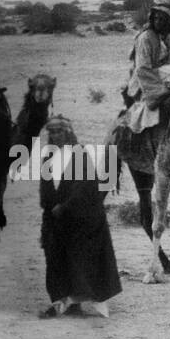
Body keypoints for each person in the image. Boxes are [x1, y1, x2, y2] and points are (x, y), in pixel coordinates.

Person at [37, 115, 121, 318]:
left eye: (59, 132)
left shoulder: (79, 154)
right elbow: (45, 189)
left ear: (67, 133)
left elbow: (84, 188)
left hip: (82, 218)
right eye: (52, 132)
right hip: (57, 219)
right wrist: (48, 215)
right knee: (55, 258)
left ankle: (80, 302)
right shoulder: (48, 157)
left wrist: (65, 207)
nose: (55, 136)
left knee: (82, 261)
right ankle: (63, 301)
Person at [122, 2, 170, 133]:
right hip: (147, 80)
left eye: (162, 19)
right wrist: (159, 90)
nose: (158, 22)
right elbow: (143, 68)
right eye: (155, 18)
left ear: (168, 22)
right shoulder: (145, 38)